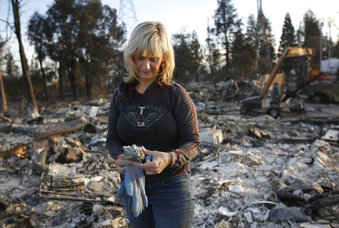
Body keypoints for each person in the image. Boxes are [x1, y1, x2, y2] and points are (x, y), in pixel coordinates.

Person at [106, 21, 201, 228]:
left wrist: (169, 158)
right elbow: (112, 138)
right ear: (131, 56)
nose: (146, 66)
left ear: (164, 59)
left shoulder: (176, 95)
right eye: (140, 57)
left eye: (153, 59)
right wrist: (118, 157)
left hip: (172, 187)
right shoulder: (121, 95)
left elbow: (193, 143)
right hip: (133, 185)